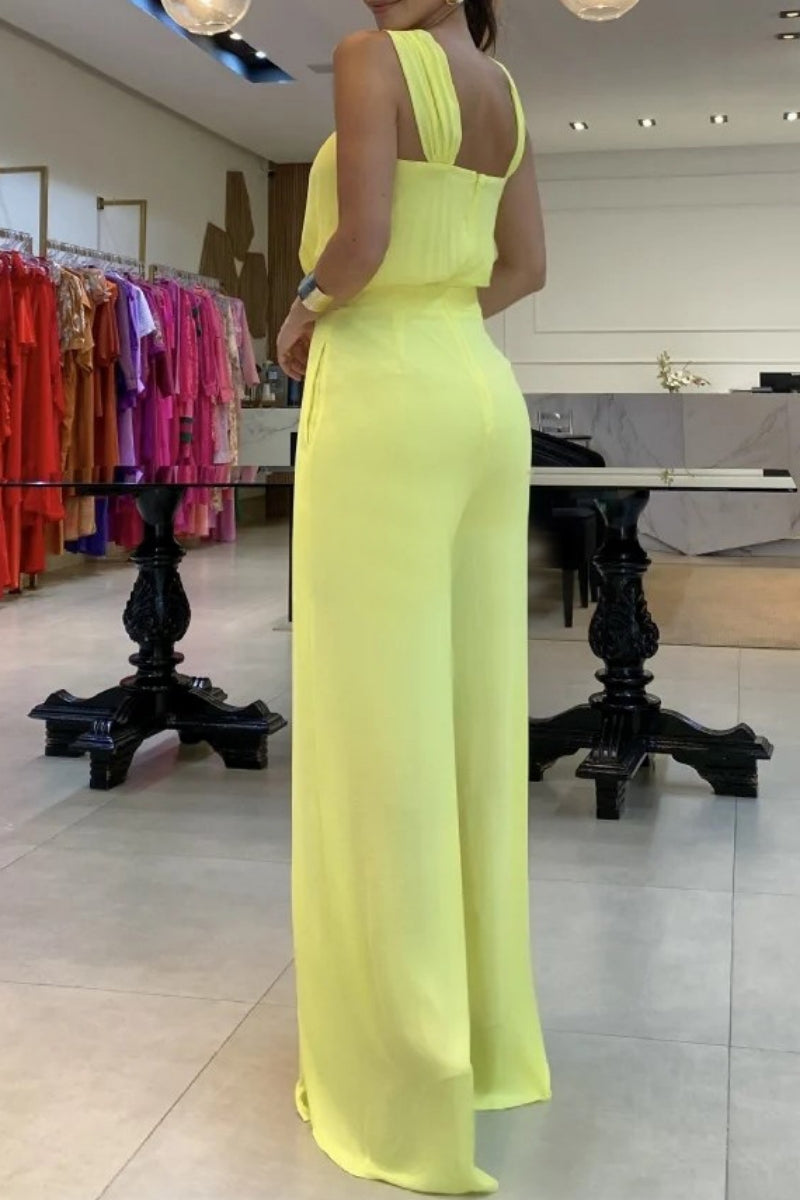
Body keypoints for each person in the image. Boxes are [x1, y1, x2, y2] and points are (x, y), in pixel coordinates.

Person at [278, 0, 550, 1193]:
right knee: (468, 718)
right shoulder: (504, 90)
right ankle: (480, 1046)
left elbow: (361, 239)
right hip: (480, 396)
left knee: (375, 729)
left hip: (387, 392)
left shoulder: (367, 59)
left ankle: (406, 1073)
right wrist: (438, 318)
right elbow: (525, 267)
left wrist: (300, 314)